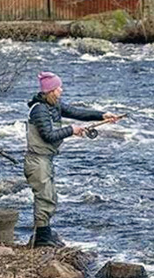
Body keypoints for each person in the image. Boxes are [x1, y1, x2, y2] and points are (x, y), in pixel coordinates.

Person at [25, 71, 120, 247]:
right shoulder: (39, 110)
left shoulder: (54, 105)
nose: (61, 90)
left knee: (50, 197)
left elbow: (77, 112)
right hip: (37, 160)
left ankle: (44, 234)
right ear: (50, 91)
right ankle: (41, 239)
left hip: (45, 159)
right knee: (44, 197)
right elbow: (48, 135)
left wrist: (102, 115)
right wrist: (72, 130)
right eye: (58, 87)